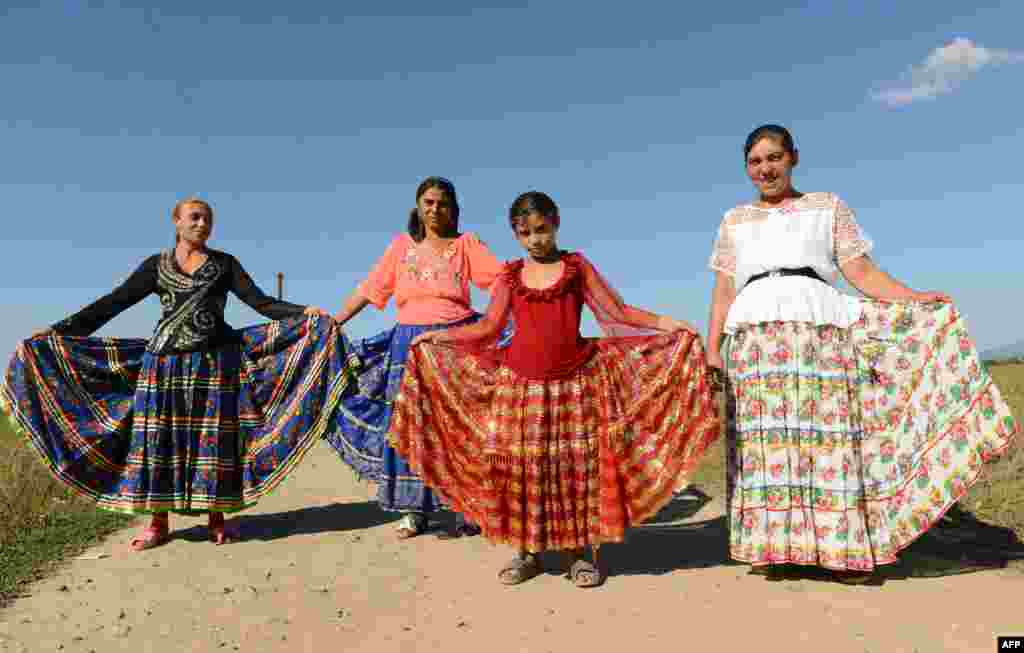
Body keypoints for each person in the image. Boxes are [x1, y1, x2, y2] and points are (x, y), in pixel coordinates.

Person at [706, 124, 1020, 582]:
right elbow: (722, 290)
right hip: (755, 338)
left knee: (828, 439)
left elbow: (861, 270)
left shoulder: (827, 206)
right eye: (755, 161)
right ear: (746, 168)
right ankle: (777, 547)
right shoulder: (734, 219)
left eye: (774, 157)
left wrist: (913, 298)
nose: (765, 168)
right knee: (764, 444)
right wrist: (712, 346)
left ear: (793, 158)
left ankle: (841, 548)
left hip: (820, 329)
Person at [389, 191, 721, 587]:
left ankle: (579, 555)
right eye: (525, 233)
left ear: (556, 222)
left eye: (541, 230)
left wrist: (669, 324)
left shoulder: (576, 267)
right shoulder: (510, 276)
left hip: (574, 386)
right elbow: (488, 328)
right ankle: (526, 553)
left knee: (574, 471)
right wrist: (437, 340)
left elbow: (618, 312)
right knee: (524, 471)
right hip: (519, 389)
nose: (535, 240)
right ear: (516, 234)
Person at [0, 198, 346, 550]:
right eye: (194, 217)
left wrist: (303, 312)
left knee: (213, 443)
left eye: (207, 219)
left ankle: (217, 519)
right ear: (176, 222)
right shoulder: (156, 266)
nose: (202, 224)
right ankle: (157, 523)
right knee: (158, 442)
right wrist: (59, 330)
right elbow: (113, 302)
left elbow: (261, 302)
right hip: (161, 367)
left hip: (213, 366)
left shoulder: (225, 264)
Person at [326, 176, 504, 539]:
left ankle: (462, 508)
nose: (435, 209)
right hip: (408, 343)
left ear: (453, 210)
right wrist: (334, 321)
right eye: (428, 202)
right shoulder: (401, 247)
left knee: (454, 427)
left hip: (454, 343)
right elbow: (371, 288)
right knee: (408, 426)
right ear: (418, 207)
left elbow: (502, 281)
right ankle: (413, 511)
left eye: (442, 203)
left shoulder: (466, 245)